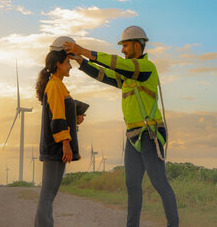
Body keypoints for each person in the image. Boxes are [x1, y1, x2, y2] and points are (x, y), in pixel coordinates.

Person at [64, 26, 179, 227]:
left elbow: (114, 63)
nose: (123, 50)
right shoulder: (128, 75)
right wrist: (80, 60)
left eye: (125, 45)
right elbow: (104, 74)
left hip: (150, 132)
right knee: (132, 184)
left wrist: (84, 50)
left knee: (159, 183)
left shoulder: (146, 68)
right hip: (133, 135)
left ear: (137, 45)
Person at [34, 37, 87, 227]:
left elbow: (63, 114)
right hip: (55, 148)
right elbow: (57, 118)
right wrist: (65, 144)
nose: (71, 66)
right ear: (58, 64)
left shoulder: (58, 84)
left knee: (49, 195)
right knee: (47, 196)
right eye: (68, 62)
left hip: (56, 147)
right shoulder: (55, 85)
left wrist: (76, 118)